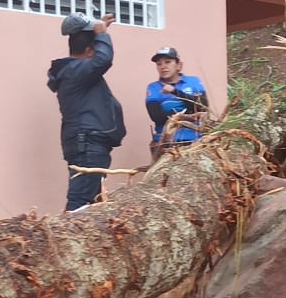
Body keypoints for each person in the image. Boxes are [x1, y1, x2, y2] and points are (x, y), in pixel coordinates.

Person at [47, 12, 127, 212]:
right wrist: (102, 35)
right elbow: (104, 60)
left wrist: (99, 32)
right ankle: (65, 241)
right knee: (80, 206)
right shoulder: (75, 72)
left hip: (87, 144)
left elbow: (99, 59)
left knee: (88, 204)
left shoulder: (73, 71)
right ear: (90, 51)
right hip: (88, 146)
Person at [144, 47, 208, 159]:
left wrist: (175, 92)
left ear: (179, 65)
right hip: (166, 143)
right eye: (159, 64)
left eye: (168, 62)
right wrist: (189, 114)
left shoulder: (193, 81)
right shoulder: (153, 88)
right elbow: (157, 117)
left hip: (194, 140)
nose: (163, 66)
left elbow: (203, 106)